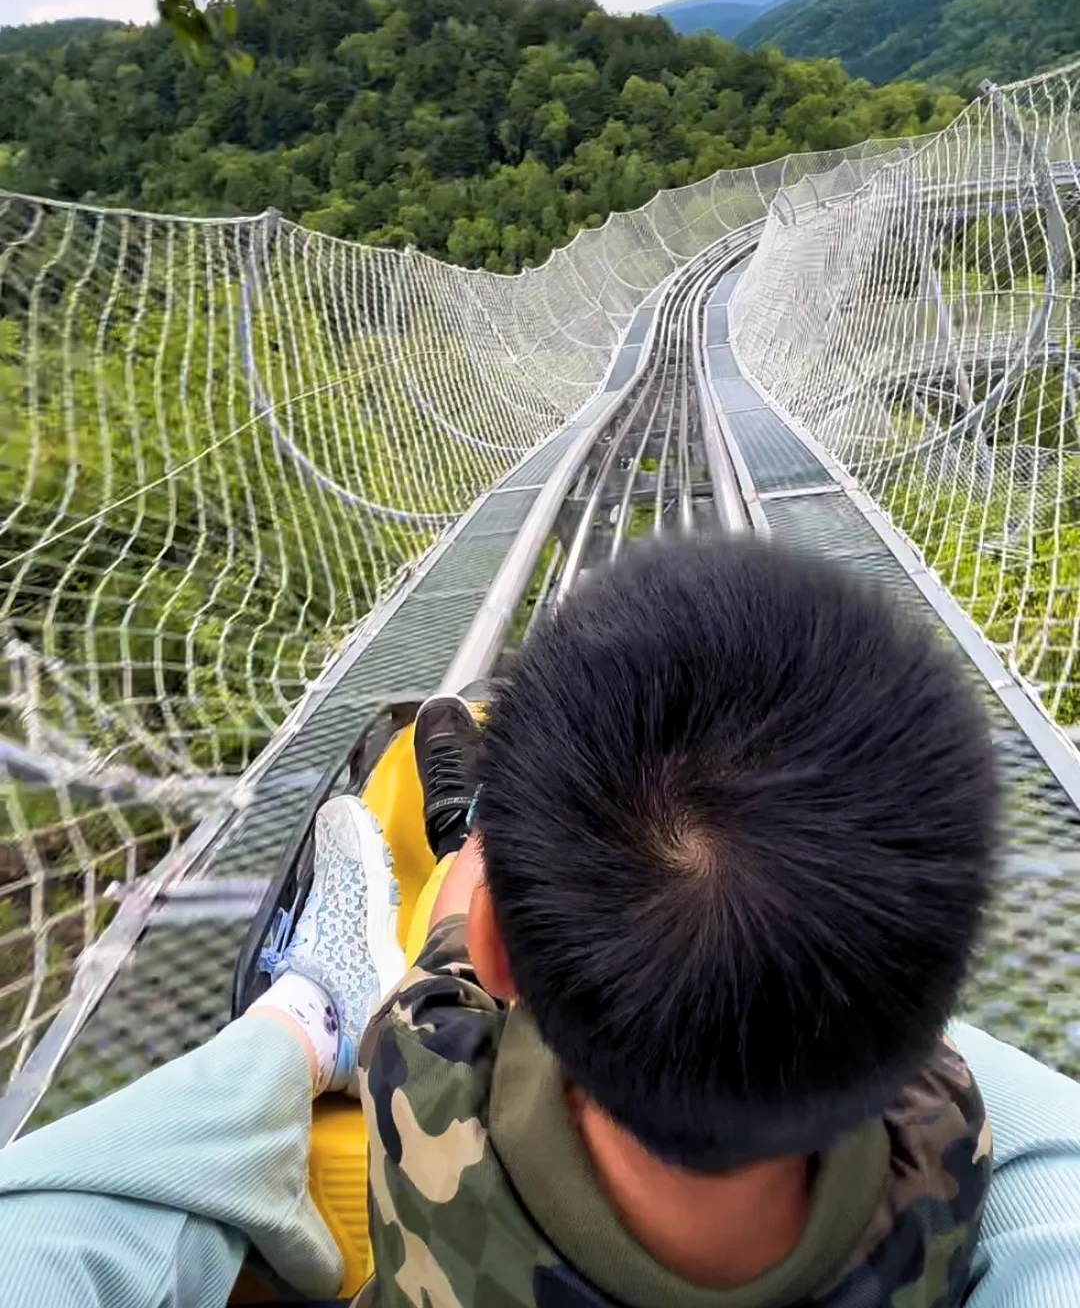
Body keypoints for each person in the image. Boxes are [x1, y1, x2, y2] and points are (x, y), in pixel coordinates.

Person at [0, 537, 1078, 1307]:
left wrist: (484, 874)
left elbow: (436, 991)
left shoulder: (425, 1080)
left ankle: (331, 985)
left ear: (503, 955)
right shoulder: (951, 1132)